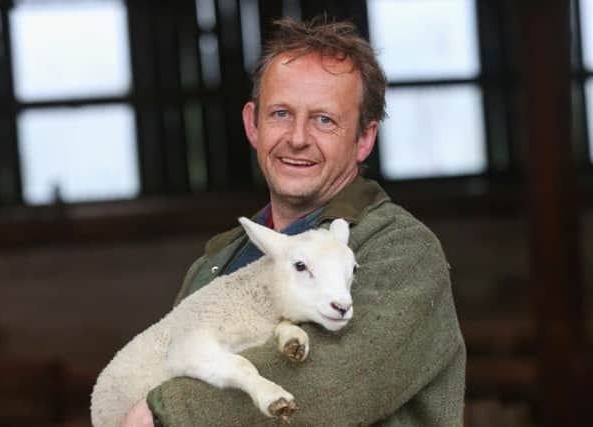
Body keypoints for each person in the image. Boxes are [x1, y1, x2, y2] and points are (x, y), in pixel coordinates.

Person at [121, 16, 465, 426]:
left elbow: (329, 384)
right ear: (253, 124)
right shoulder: (216, 266)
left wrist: (166, 412)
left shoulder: (398, 251)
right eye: (281, 114)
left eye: (324, 120)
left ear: (364, 138)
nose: (298, 137)